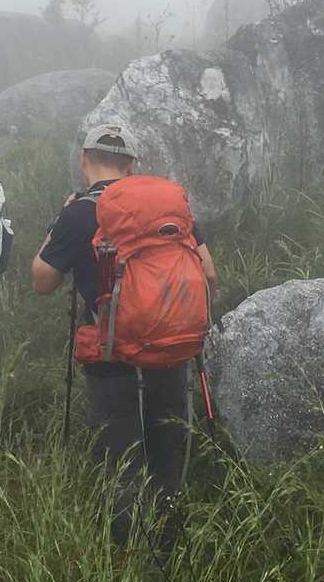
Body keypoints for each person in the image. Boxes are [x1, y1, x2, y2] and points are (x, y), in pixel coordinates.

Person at [31, 123, 219, 549]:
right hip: (170, 349)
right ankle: (171, 543)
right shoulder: (167, 207)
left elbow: (41, 281)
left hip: (111, 354)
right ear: (131, 165)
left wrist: (57, 223)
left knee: (121, 458)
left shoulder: (79, 213)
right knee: (166, 448)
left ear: (84, 160)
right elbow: (208, 272)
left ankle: (129, 553)